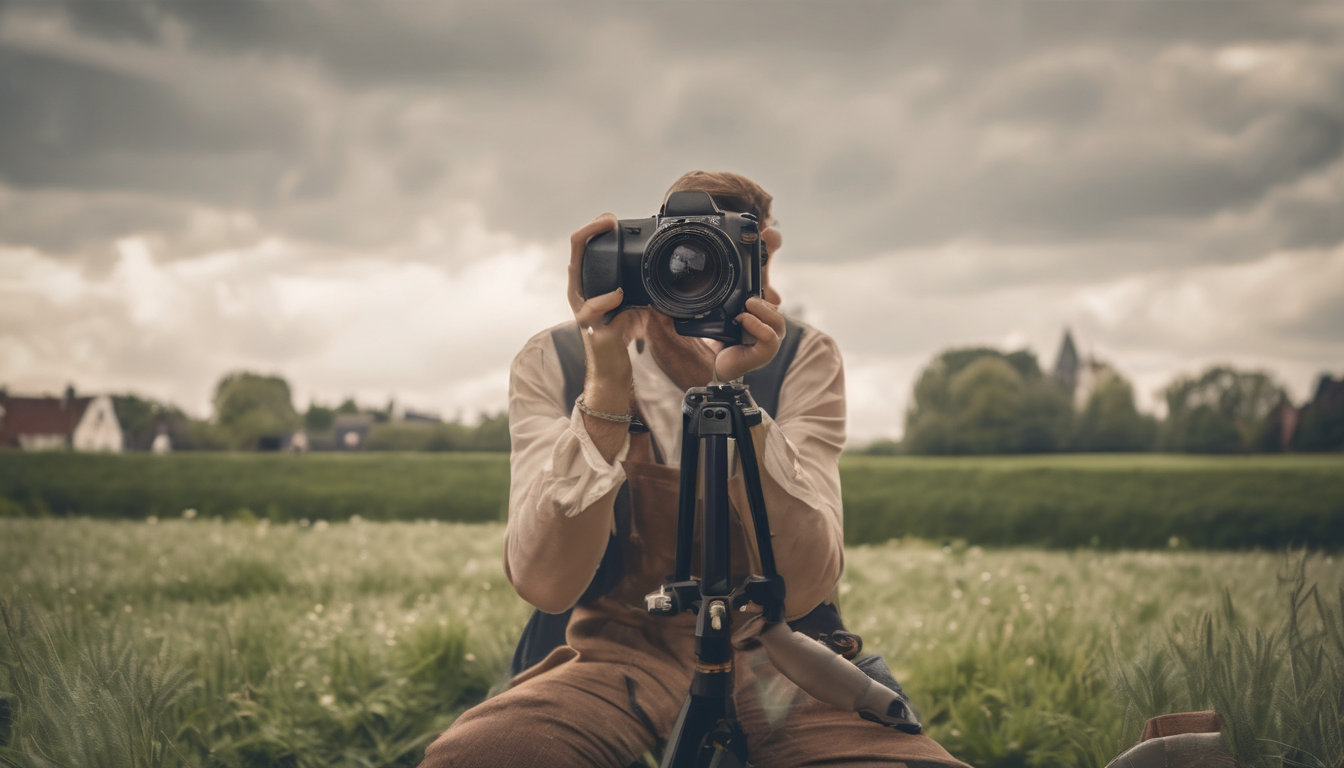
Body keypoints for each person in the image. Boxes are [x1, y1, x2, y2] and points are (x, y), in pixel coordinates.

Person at [420, 171, 968, 768]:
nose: (693, 271)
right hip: (617, 652)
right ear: (637, 253)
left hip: (778, 653)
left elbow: (809, 580)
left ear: (766, 255)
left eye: (726, 251)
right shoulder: (558, 359)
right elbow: (544, 583)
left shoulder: (800, 357)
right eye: (679, 252)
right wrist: (605, 387)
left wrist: (732, 391)